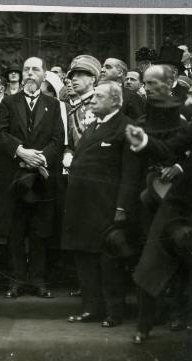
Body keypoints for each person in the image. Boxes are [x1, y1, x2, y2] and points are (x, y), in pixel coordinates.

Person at [125, 76, 192, 343]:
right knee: (151, 262)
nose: (191, 97)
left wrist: (182, 168)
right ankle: (144, 326)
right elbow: (169, 148)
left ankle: (187, 318)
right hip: (178, 203)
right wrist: (143, 141)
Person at [62, 81, 141, 328]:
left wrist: (121, 209)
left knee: (109, 262)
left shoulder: (127, 127)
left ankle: (114, 312)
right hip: (82, 206)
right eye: (93, 96)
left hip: (107, 207)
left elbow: (131, 174)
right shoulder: (94, 125)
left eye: (98, 97)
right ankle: (91, 309)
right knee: (85, 258)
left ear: (115, 101)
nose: (92, 101)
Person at [0, 56, 64, 299]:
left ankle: (38, 280)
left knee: (39, 230)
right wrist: (20, 151)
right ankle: (16, 281)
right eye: (27, 70)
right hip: (14, 176)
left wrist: (40, 158)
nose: (30, 74)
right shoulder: (8, 103)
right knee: (15, 229)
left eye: (35, 70)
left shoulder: (53, 105)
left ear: (44, 74)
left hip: (42, 176)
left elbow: (58, 139)